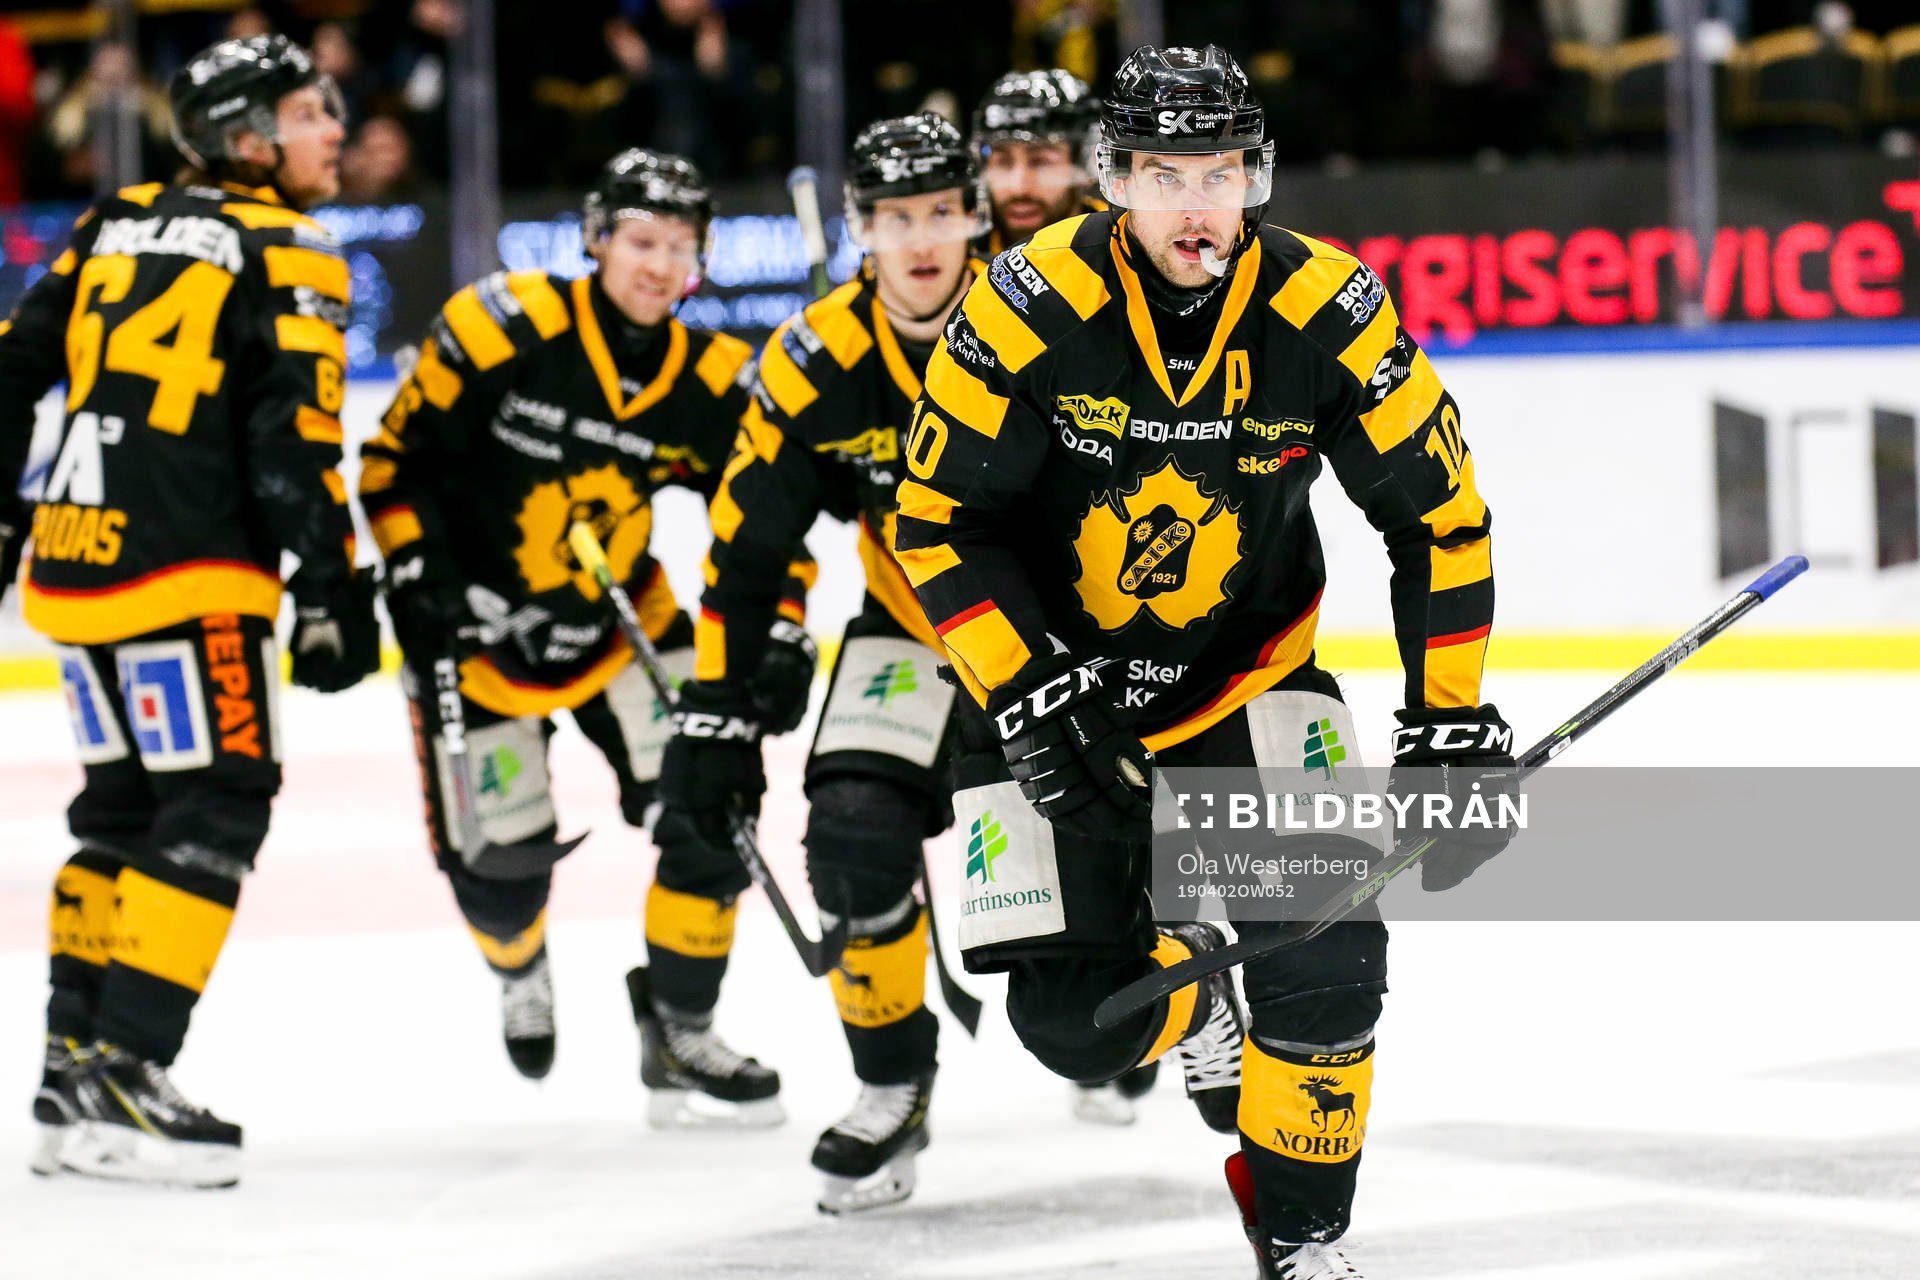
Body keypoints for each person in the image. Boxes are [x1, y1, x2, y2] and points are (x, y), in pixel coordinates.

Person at [894, 45, 1515, 1278]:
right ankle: (1195, 985)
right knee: (1080, 1023)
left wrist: (1448, 721)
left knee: (1331, 954)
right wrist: (1026, 686)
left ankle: (1301, 1230)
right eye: (1167, 175)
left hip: (1248, 680)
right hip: (1060, 695)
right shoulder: (1023, 301)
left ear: (1255, 177)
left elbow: (1440, 518)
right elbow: (937, 520)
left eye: (1220, 173)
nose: (1197, 205)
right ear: (1115, 178)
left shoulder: (1329, 306)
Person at [358, 148, 814, 1125]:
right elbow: (394, 466)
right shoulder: (501, 326)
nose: (660, 265)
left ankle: (679, 1025)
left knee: (716, 801)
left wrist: (781, 625)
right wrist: (418, 574)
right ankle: (520, 967)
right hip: (478, 634)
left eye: (681, 247)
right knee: (498, 873)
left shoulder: (713, 378)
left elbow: (765, 522)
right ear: (597, 240)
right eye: (642, 241)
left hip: (622, 622)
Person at [0, 34, 378, 1188]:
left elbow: (11, 372)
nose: (334, 130)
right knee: (218, 800)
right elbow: (292, 439)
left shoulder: (113, 219)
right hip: (191, 571)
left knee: (119, 813)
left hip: (77, 560)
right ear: (247, 139)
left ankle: (71, 1074)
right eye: (309, 113)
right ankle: (127, 1069)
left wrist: (6, 523)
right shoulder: (290, 247)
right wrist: (331, 584)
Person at [660, 113, 985, 1214]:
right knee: (847, 837)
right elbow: (747, 550)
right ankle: (892, 1081)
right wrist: (716, 703)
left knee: (1071, 958)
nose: (921, 238)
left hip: (1059, 638)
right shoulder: (816, 359)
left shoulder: (1046, 316)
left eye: (940, 211)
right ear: (859, 228)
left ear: (975, 215)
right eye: (895, 217)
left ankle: (1171, 1009)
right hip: (912, 628)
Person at [971, 67, 1107, 257]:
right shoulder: (958, 254)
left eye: (1041, 162)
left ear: (1088, 162)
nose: (1018, 188)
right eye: (1002, 162)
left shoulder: (1125, 247)